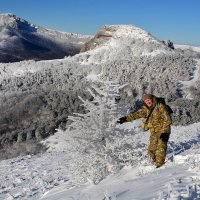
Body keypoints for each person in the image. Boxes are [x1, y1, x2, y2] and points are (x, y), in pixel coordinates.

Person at [117, 94, 172, 168]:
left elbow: (167, 119)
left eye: (149, 100)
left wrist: (165, 132)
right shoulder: (145, 109)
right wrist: (125, 119)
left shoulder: (160, 106)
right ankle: (152, 164)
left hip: (163, 130)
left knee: (160, 147)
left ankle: (160, 166)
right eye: (146, 101)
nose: (148, 102)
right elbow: (136, 115)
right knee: (151, 149)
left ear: (152, 99)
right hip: (153, 132)